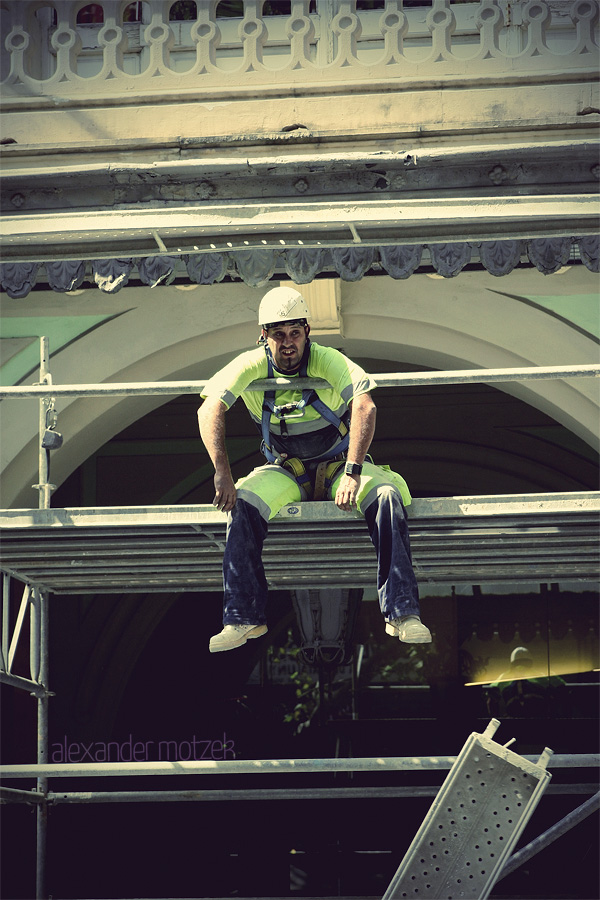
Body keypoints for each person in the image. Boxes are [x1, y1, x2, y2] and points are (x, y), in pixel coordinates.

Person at [198, 286, 432, 653]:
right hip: (286, 471)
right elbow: (209, 408)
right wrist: (222, 473)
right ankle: (243, 618)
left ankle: (402, 612)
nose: (288, 343)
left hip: (341, 467)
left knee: (385, 497)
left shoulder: (326, 360)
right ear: (264, 336)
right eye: (278, 335)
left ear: (308, 331)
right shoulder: (251, 364)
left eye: (295, 333)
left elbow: (365, 406)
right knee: (242, 504)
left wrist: (354, 471)